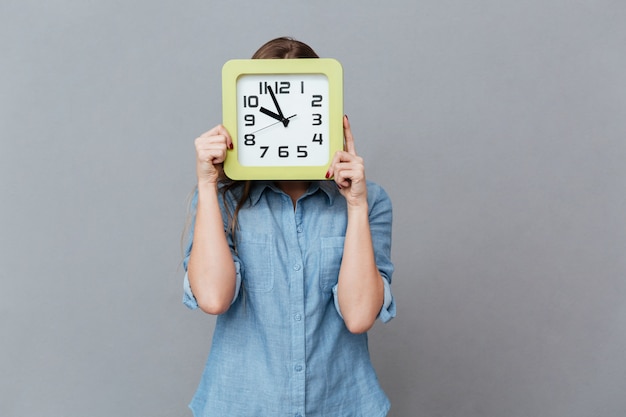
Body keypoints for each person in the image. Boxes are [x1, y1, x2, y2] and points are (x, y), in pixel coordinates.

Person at [182, 37, 396, 417]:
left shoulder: (370, 201)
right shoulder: (223, 203)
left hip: (342, 405)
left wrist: (357, 206)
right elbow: (213, 298)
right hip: (240, 405)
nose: (286, 128)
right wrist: (205, 182)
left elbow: (360, 315)